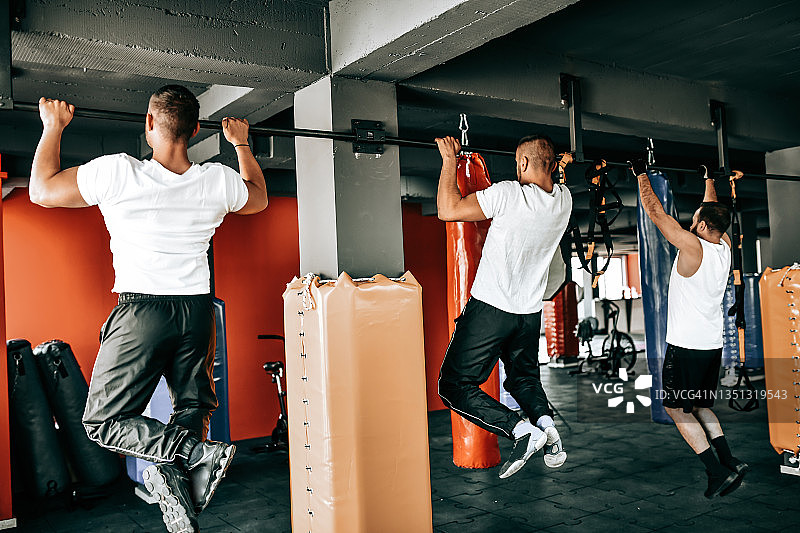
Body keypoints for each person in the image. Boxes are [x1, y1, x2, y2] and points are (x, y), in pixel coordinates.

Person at [29, 85, 268, 532]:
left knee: (102, 420)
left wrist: (52, 126)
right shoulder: (217, 180)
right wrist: (240, 144)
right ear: (196, 130)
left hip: (143, 310)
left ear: (148, 126)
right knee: (193, 406)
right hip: (197, 312)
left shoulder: (119, 172)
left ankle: (192, 455)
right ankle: (184, 486)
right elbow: (257, 196)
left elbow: (42, 190)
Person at [435, 134, 572, 478]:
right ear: (553, 166)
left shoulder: (509, 194)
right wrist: (558, 163)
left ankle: (521, 431)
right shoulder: (564, 201)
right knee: (523, 379)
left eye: (516, 162)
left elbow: (447, 210)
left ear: (523, 163)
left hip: (491, 310)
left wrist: (450, 159)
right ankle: (549, 431)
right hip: (528, 315)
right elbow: (554, 176)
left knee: (453, 385)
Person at [632, 161, 747, 498]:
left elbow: (655, 213)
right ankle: (730, 461)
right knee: (699, 405)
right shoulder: (723, 244)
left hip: (686, 347)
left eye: (696, 218)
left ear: (700, 224)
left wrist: (641, 174)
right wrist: (709, 178)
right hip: (711, 345)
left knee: (674, 407)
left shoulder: (692, 246)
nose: (692, 221)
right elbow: (711, 210)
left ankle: (716, 473)